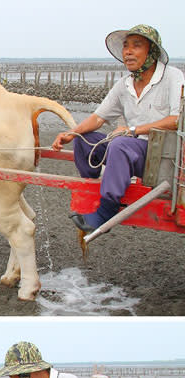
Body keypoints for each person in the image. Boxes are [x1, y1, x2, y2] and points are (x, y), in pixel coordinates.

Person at [52, 25, 184, 232]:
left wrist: (132, 130)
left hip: (160, 157)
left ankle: (107, 210)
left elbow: (177, 119)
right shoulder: (124, 84)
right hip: (132, 149)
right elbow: (98, 117)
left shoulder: (172, 77)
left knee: (121, 144)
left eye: (136, 46)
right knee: (85, 138)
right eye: (125, 47)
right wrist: (71, 133)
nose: (128, 52)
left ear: (152, 52)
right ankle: (94, 185)